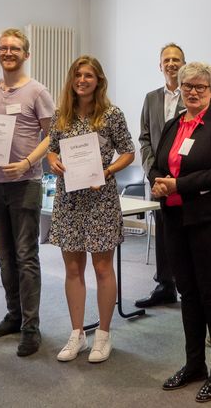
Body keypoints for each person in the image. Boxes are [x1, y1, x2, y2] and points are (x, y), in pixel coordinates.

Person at [150, 62, 211, 402]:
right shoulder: (175, 124)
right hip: (175, 219)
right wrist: (158, 183)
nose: (193, 91)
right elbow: (158, 164)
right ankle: (194, 364)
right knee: (187, 292)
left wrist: (179, 184)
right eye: (188, 85)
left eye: (200, 87)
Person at [0, 28, 54, 357]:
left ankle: (31, 327)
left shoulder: (37, 91)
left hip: (25, 183)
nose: (7, 52)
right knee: (4, 256)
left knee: (25, 257)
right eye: (3, 47)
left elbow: (52, 135)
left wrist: (29, 162)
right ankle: (14, 315)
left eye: (14, 48)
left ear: (26, 54)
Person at [46, 55, 135, 363]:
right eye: (77, 75)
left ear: (99, 81)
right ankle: (77, 334)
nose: (82, 80)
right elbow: (52, 147)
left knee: (101, 268)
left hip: (100, 199)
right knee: (72, 269)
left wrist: (108, 172)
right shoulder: (61, 115)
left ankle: (104, 335)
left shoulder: (111, 114)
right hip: (69, 201)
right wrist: (52, 160)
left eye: (88, 75)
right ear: (71, 80)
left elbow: (128, 152)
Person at [135, 43, 185, 309]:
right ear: (160, 65)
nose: (171, 63)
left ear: (183, 64)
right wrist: (152, 171)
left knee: (185, 231)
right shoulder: (151, 98)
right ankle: (165, 285)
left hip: (184, 179)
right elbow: (144, 137)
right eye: (167, 59)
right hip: (156, 178)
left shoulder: (193, 95)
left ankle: (187, 286)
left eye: (176, 59)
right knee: (163, 231)